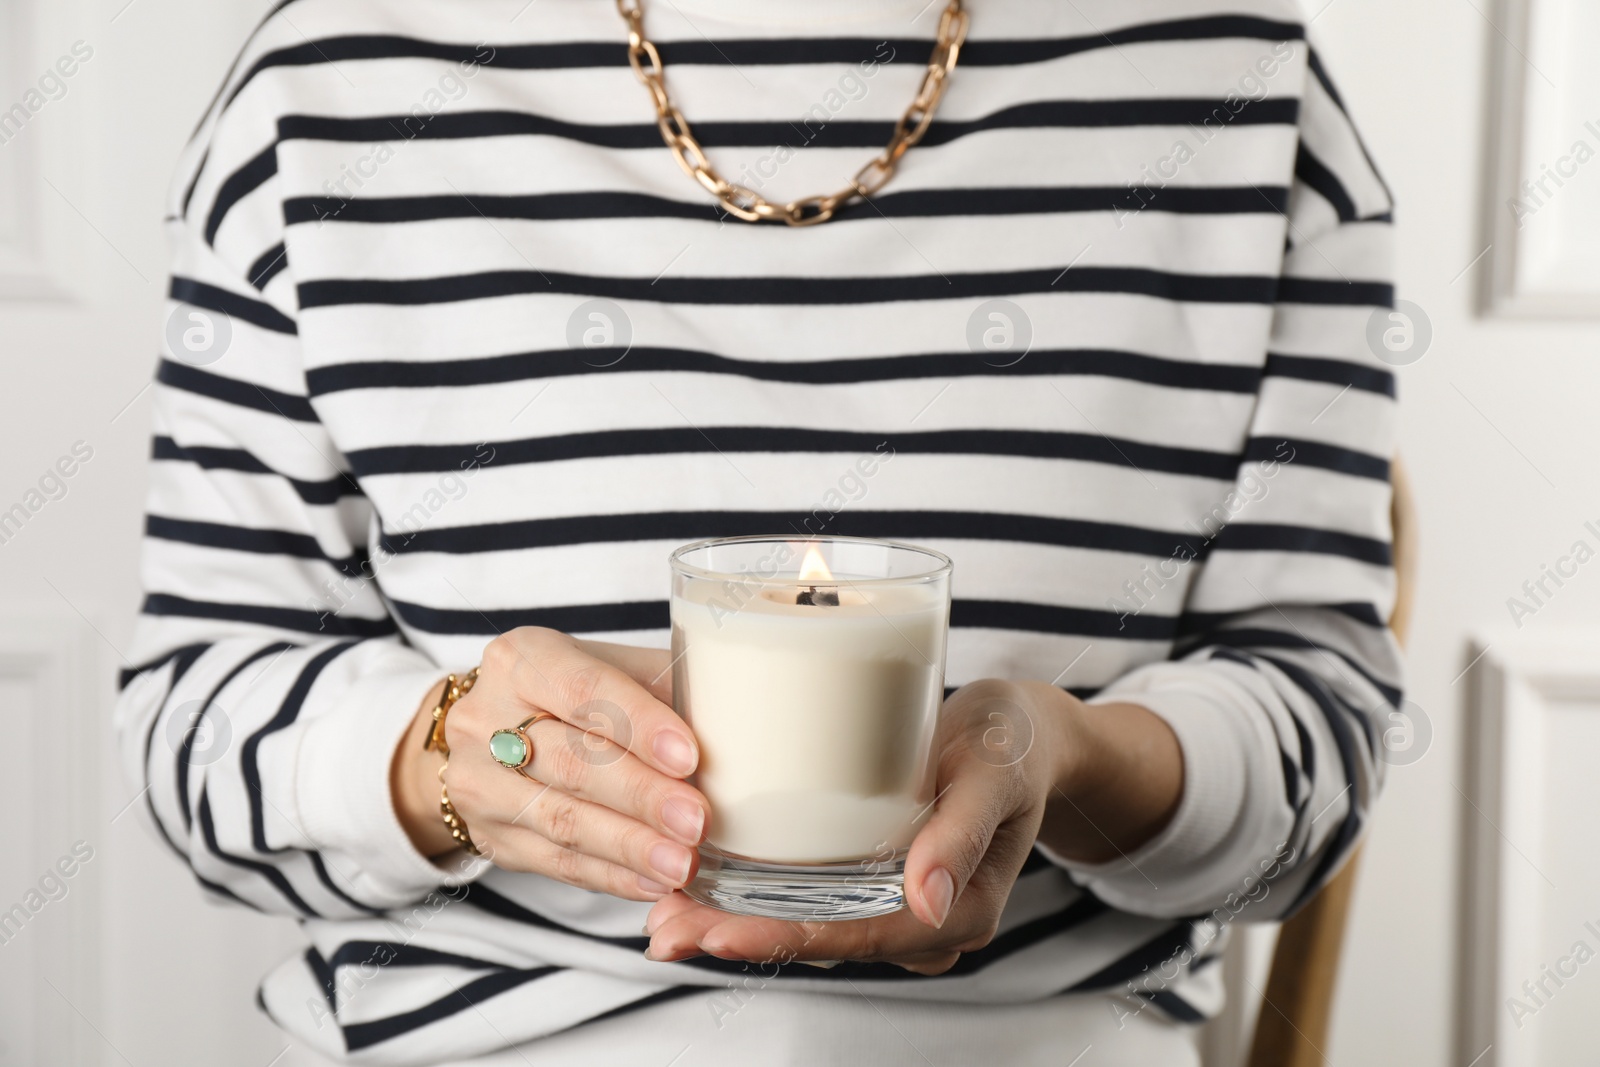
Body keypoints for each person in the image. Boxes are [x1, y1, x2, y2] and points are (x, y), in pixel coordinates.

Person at [115, 0, 1401, 1063]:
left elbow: (1321, 738)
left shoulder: (1237, 86)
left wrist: (1071, 759)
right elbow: (195, 721)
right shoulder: (329, 81)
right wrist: (445, 761)